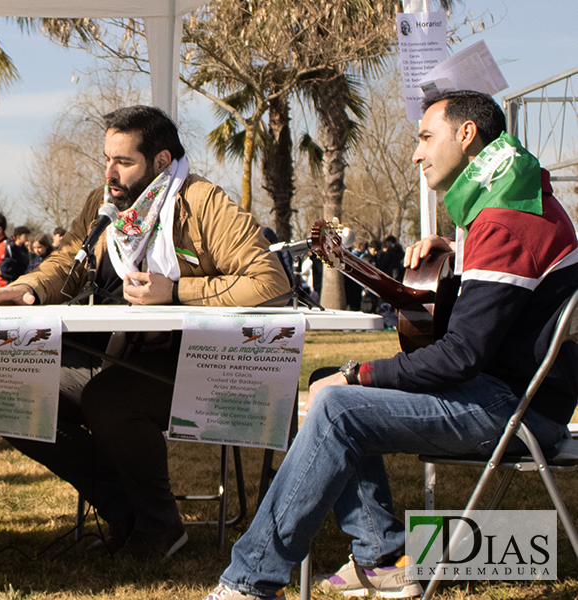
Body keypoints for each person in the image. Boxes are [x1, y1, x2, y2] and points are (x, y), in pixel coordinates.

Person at [201, 90, 578, 600]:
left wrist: (360, 373)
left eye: (426, 137)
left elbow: (460, 355)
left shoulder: (504, 221)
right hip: (519, 395)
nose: (417, 153)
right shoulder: (519, 198)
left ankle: (250, 581)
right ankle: (383, 557)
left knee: (336, 406)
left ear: (466, 136)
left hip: (516, 408)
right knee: (323, 384)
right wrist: (457, 248)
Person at [0, 105, 290, 560]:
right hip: (118, 358)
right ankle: (128, 514)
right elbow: (67, 263)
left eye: (123, 162)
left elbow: (272, 284)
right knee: (7, 392)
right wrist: (26, 290)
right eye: (106, 159)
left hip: (201, 366)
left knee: (108, 399)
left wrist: (176, 290)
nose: (109, 173)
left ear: (160, 161)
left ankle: (157, 528)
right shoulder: (103, 205)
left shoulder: (203, 203)